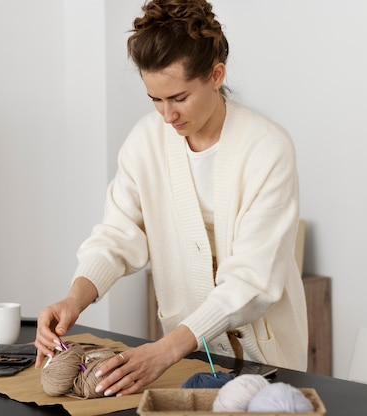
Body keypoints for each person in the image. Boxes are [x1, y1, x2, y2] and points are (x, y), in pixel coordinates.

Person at [35, 0, 308, 397]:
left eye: (179, 98)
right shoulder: (145, 142)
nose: (167, 116)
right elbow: (117, 234)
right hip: (192, 361)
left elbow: (252, 278)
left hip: (268, 360)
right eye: (155, 100)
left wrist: (165, 350)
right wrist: (74, 298)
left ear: (216, 75)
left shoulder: (267, 147)